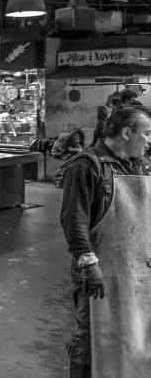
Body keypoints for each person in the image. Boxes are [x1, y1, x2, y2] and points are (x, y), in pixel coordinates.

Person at [59, 106, 151, 377]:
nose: (149, 140)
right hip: (98, 269)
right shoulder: (87, 165)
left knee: (133, 334)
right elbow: (74, 219)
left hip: (136, 267)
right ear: (126, 132)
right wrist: (88, 263)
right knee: (90, 337)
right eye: (146, 133)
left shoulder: (141, 165)